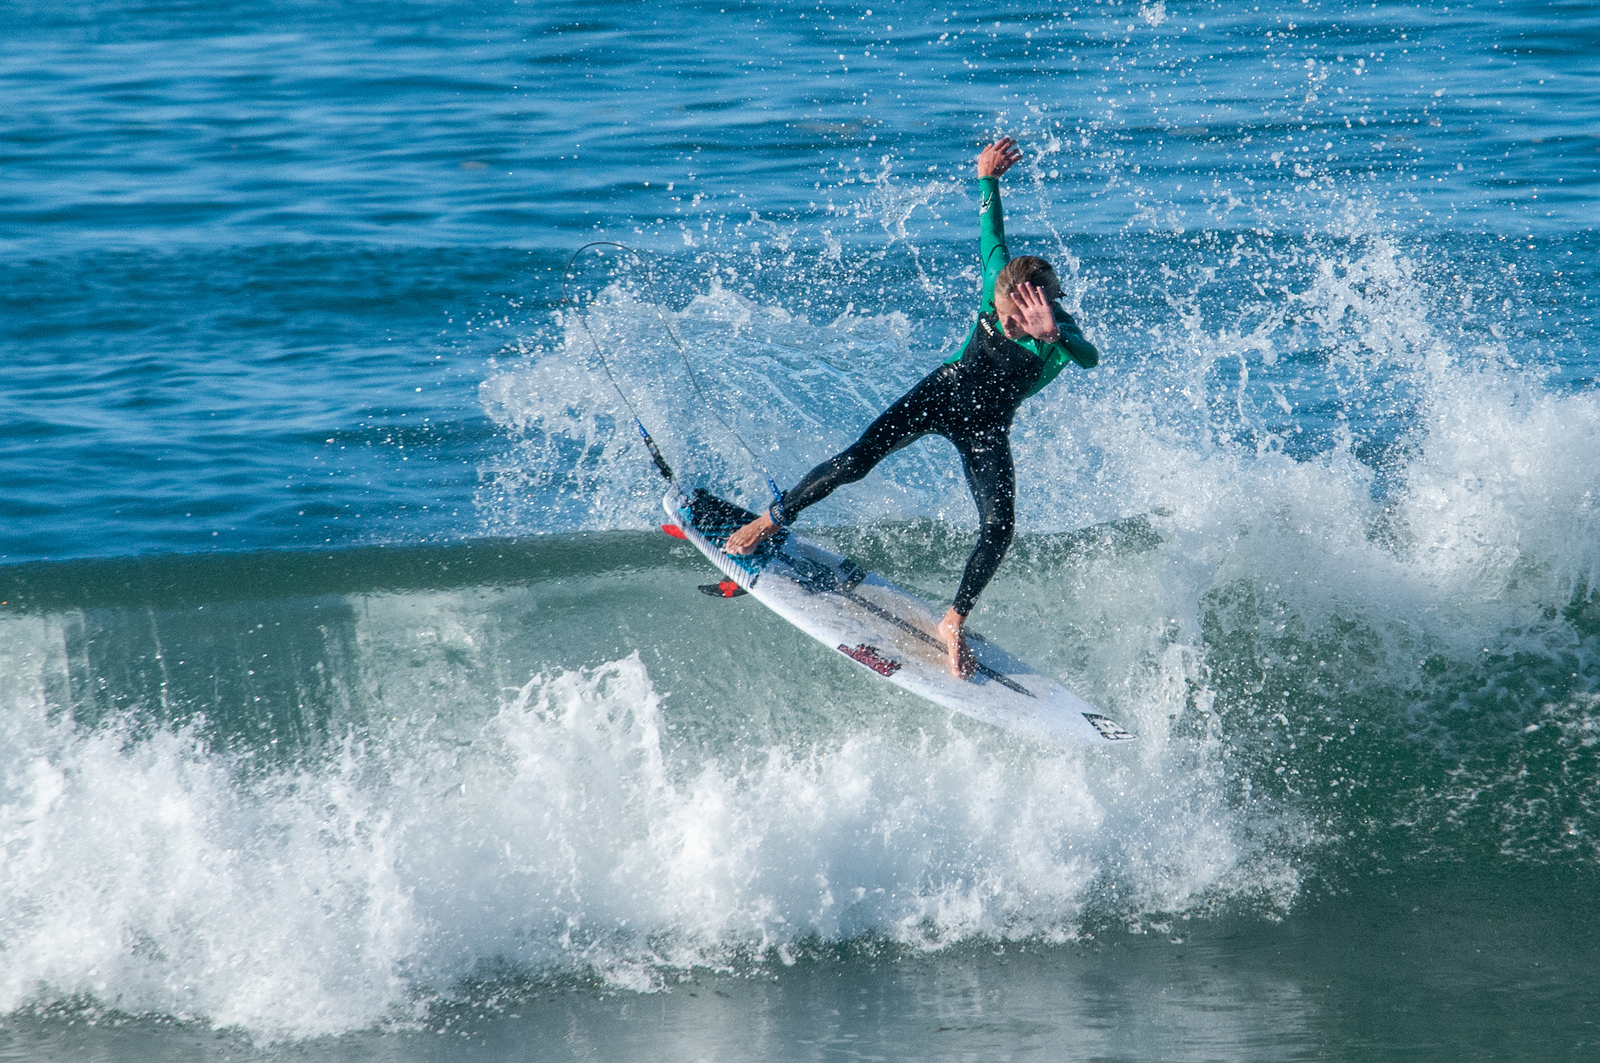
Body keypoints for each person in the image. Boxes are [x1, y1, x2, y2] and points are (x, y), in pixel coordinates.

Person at [725, 137, 1099, 679]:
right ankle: (771, 519)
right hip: (941, 393)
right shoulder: (996, 283)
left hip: (986, 428)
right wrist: (987, 179)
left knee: (1000, 527)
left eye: (1018, 322)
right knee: (855, 461)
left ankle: (952, 621)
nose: (1006, 324)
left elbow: (1089, 359)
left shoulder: (1058, 335)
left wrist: (1055, 335)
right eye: (1000, 314)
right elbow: (991, 233)